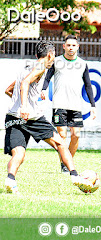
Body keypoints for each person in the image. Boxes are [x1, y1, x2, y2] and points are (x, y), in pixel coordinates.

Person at [4, 40, 92, 193]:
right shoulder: (40, 67)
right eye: (54, 55)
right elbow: (24, 84)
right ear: (50, 55)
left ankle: (10, 180)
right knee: (61, 144)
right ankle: (75, 176)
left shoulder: (27, 67)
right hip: (32, 117)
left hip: (14, 117)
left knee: (19, 154)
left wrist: (22, 102)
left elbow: (9, 89)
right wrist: (25, 106)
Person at [42, 35, 96, 173]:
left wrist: (93, 106)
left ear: (78, 47)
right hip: (59, 104)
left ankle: (67, 162)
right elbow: (48, 77)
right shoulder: (57, 61)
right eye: (68, 45)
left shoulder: (83, 64)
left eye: (73, 45)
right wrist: (43, 89)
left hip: (75, 105)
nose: (71, 48)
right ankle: (65, 165)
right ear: (64, 46)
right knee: (62, 136)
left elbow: (88, 85)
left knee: (76, 135)